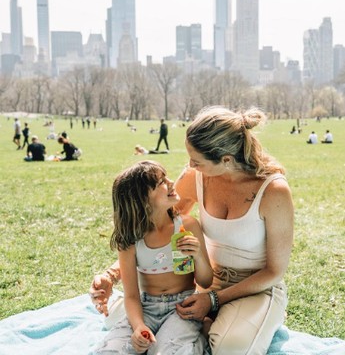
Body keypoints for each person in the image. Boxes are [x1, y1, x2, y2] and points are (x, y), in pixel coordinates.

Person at [90, 106, 294, 355]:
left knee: (230, 348)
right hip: (205, 284)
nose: (189, 166)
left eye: (196, 161)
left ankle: (231, 323)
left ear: (226, 160)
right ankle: (203, 325)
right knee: (126, 319)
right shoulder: (196, 176)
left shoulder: (274, 191)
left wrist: (213, 300)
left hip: (255, 288)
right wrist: (111, 275)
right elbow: (155, 229)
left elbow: (274, 271)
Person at [94, 160, 212, 354]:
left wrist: (198, 255)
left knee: (169, 351)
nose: (172, 182)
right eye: (161, 182)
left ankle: (198, 340)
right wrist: (139, 326)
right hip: (146, 307)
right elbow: (131, 296)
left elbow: (206, 282)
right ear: (142, 200)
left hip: (183, 307)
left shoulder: (188, 226)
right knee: (111, 350)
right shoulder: (130, 240)